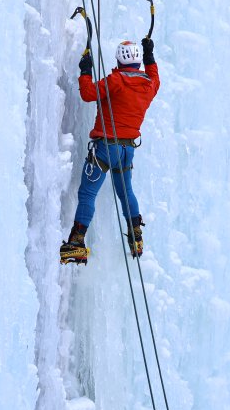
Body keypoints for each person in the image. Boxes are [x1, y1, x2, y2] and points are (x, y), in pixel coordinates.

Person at [60, 38, 160, 264]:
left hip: (105, 149)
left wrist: (85, 70)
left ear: (119, 59)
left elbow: (88, 93)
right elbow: (155, 76)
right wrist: (150, 54)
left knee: (87, 194)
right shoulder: (148, 84)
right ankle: (136, 238)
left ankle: (76, 242)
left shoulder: (116, 80)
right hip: (127, 151)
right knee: (126, 193)